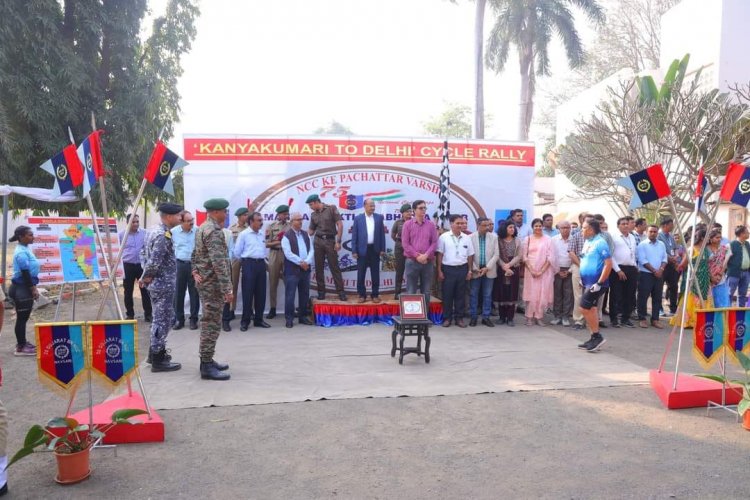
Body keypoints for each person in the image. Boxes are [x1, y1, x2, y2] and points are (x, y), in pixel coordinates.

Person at [192, 198, 232, 381]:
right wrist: (227, 288)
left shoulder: (202, 228)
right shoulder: (214, 231)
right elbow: (219, 263)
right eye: (224, 211)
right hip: (213, 285)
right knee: (211, 324)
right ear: (216, 212)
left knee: (211, 322)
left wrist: (195, 271)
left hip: (206, 283)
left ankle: (207, 360)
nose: (226, 214)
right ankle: (206, 366)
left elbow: (195, 254)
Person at [140, 203, 183, 372]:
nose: (180, 218)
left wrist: (146, 278)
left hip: (156, 284)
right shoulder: (163, 235)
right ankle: (158, 359)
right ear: (169, 216)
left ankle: (154, 353)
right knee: (162, 320)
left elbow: (143, 253)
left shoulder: (152, 230)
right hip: (162, 284)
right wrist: (147, 276)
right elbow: (154, 261)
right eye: (178, 216)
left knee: (161, 318)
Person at [577, 219, 613, 352]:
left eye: (584, 228)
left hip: (597, 283)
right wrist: (582, 279)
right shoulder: (587, 241)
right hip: (587, 281)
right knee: (591, 308)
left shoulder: (600, 242)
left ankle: (597, 337)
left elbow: (608, 264)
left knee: (583, 308)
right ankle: (593, 337)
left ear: (591, 229)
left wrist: (599, 282)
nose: (582, 230)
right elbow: (585, 259)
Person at [234, 211, 271, 330]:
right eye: (259, 220)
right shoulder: (244, 234)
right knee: (247, 293)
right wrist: (246, 262)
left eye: (261, 220)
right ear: (251, 222)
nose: (261, 222)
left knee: (261, 293)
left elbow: (264, 249)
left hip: (261, 264)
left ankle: (259, 320)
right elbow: (237, 252)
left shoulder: (261, 234)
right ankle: (245, 321)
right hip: (248, 264)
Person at [436, 214, 474, 328]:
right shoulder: (444, 237)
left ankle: (459, 318)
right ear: (451, 224)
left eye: (462, 223)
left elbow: (470, 255)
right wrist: (439, 270)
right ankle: (447, 318)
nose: (460, 225)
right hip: (448, 269)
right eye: (458, 223)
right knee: (447, 295)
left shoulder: (467, 237)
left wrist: (470, 270)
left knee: (460, 295)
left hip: (462, 269)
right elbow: (440, 254)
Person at [306, 194, 346, 301]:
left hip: (330, 241)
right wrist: (299, 234)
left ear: (315, 202)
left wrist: (338, 242)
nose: (310, 207)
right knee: (319, 268)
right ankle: (321, 292)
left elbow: (340, 225)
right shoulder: (313, 215)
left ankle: (341, 292)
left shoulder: (331, 208)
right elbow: (311, 231)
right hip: (318, 241)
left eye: (311, 204)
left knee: (335, 267)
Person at [521, 218, 558, 326]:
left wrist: (541, 271)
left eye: (539, 226)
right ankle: (529, 317)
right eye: (536, 226)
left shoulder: (548, 240)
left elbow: (550, 257)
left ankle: (539, 317)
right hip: (530, 270)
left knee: (541, 294)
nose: (538, 228)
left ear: (542, 227)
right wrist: (532, 270)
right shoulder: (527, 239)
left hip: (544, 271)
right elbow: (524, 257)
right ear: (532, 227)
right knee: (531, 294)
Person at [8, 226, 38, 356]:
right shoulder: (20, 252)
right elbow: (25, 273)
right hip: (22, 289)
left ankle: (23, 342)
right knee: (21, 319)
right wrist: (33, 289)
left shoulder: (25, 248)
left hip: (23, 287)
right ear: (21, 237)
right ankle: (21, 347)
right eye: (30, 235)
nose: (32, 237)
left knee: (23, 318)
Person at [282, 212, 315, 328]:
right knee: (290, 295)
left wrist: (306, 262)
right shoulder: (286, 236)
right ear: (292, 221)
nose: (300, 221)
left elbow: (311, 250)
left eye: (301, 219)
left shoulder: (306, 235)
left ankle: (302, 317)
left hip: (305, 270)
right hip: (292, 270)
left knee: (304, 294)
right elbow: (288, 254)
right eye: (297, 219)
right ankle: (289, 319)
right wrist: (301, 262)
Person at [401, 199, 438, 303]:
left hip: (427, 262)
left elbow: (434, 242)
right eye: (420, 208)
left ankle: (425, 316)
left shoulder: (431, 225)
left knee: (426, 291)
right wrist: (417, 256)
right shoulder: (407, 224)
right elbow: (405, 244)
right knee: (411, 290)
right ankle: (412, 317)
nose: (423, 210)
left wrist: (425, 255)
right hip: (412, 261)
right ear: (414, 210)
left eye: (424, 208)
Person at [351, 199, 386, 303]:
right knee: (361, 274)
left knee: (375, 274)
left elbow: (382, 235)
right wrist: (354, 251)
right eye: (371, 206)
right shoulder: (358, 219)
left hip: (375, 250)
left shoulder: (379, 218)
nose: (373, 207)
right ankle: (362, 295)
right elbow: (354, 236)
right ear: (365, 206)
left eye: (374, 206)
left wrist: (382, 249)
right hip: (362, 251)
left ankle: (375, 295)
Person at [119, 214, 152, 322]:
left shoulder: (144, 233)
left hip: (142, 266)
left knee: (145, 290)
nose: (136, 224)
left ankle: (148, 314)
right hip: (127, 266)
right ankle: (130, 315)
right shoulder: (121, 235)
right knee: (128, 291)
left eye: (137, 221)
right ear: (128, 223)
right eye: (133, 222)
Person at [172, 210, 199, 330]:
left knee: (194, 293)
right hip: (180, 265)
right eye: (188, 221)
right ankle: (179, 319)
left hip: (194, 265)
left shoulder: (198, 231)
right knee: (179, 293)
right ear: (181, 222)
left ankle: (193, 320)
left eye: (192, 220)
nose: (191, 223)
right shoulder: (173, 232)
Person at [609, 217, 638, 328]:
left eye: (627, 223)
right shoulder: (613, 237)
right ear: (618, 226)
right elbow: (610, 255)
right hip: (618, 269)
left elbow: (633, 253)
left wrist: (635, 266)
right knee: (616, 295)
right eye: (623, 224)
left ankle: (626, 318)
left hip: (631, 268)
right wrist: (618, 270)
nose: (626, 225)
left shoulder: (632, 237)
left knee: (629, 295)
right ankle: (614, 318)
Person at [637, 225, 668, 329]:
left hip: (659, 274)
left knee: (657, 297)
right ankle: (642, 319)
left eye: (655, 231)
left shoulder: (662, 244)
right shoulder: (642, 245)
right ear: (647, 232)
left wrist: (661, 270)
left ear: (657, 233)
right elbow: (642, 260)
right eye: (651, 231)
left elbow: (665, 258)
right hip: (646, 274)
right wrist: (654, 270)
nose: (653, 233)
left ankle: (655, 319)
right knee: (643, 297)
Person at [469, 217, 498, 327]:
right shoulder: (470, 237)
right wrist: (475, 268)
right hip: (475, 270)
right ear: (478, 225)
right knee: (473, 294)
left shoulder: (494, 237)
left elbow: (496, 255)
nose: (487, 227)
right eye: (484, 225)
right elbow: (469, 254)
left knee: (487, 294)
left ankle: (486, 317)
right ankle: (473, 317)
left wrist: (487, 268)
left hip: (489, 270)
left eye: (488, 225)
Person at [494, 220, 522, 326]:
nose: (512, 229)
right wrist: (504, 266)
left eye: (513, 227)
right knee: (501, 292)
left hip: (513, 268)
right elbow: (496, 255)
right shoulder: (498, 240)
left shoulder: (517, 241)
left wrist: (509, 265)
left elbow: (519, 256)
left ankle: (510, 318)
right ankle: (501, 317)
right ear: (504, 228)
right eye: (510, 227)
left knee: (512, 292)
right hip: (500, 269)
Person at [265, 204, 291, 319]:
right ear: (279, 215)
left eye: (287, 214)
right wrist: (277, 242)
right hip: (274, 254)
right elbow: (266, 243)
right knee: (273, 282)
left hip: (287, 255)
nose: (286, 216)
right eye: (284, 214)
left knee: (289, 283)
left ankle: (289, 308)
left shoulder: (291, 226)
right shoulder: (271, 226)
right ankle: (273, 308)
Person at [568, 213, 591, 330]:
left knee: (591, 295)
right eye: (586, 220)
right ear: (582, 221)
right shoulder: (576, 235)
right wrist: (581, 265)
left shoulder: (597, 237)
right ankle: (578, 320)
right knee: (578, 295)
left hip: (592, 268)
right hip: (578, 266)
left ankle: (590, 320)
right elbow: (571, 252)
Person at [227, 207, 249, 322]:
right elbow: (229, 245)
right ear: (239, 216)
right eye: (245, 215)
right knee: (233, 285)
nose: (247, 217)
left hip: (246, 259)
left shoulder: (249, 228)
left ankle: (249, 310)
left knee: (248, 286)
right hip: (235, 259)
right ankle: (231, 310)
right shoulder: (231, 229)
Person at [551, 221, 573, 326]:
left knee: (568, 294)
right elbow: (551, 256)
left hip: (570, 269)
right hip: (557, 270)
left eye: (567, 227)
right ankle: (557, 316)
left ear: (570, 228)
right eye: (562, 227)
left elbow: (578, 256)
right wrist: (557, 270)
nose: (565, 229)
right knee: (557, 294)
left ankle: (565, 317)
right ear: (558, 229)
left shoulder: (574, 239)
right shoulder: (554, 240)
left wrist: (569, 271)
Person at [657, 218, 679, 318]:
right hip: (663, 265)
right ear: (664, 225)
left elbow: (676, 248)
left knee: (674, 286)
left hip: (672, 265)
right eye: (671, 224)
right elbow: (660, 251)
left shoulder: (671, 236)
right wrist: (670, 258)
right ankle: (659, 309)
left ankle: (673, 309)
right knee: (659, 287)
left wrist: (676, 256)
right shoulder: (658, 236)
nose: (672, 226)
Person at [391, 203, 413, 299]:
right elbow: (393, 235)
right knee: (399, 271)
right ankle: (397, 292)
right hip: (399, 248)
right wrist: (399, 242)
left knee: (411, 271)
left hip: (411, 249)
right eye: (407, 212)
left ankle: (411, 292)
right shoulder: (398, 223)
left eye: (410, 211)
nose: (409, 213)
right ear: (402, 213)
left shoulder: (414, 222)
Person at [706, 228, 730, 307]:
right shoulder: (706, 249)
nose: (719, 239)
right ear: (711, 238)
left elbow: (724, 262)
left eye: (720, 237)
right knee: (711, 302)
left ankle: (723, 319)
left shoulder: (723, 249)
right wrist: (711, 277)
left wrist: (720, 274)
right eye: (717, 237)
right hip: (708, 279)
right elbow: (704, 264)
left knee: (723, 302)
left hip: (720, 278)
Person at [727, 225, 750, 306]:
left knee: (743, 295)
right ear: (741, 234)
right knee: (730, 293)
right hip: (734, 273)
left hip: (746, 273)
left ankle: (740, 314)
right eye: (747, 232)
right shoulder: (731, 244)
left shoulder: (747, 244)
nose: (748, 234)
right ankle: (727, 313)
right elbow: (726, 260)